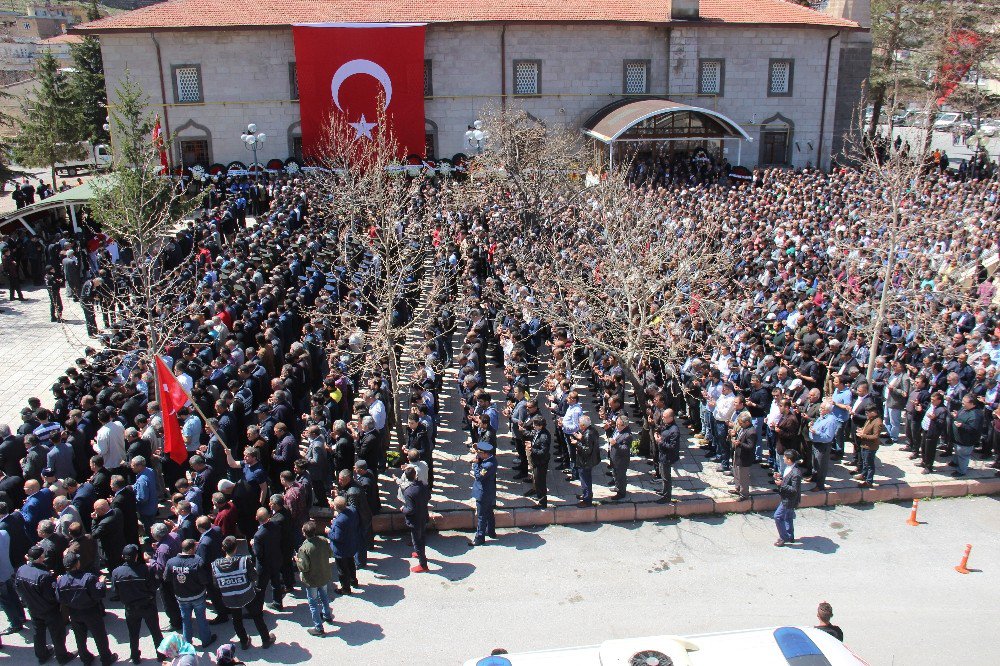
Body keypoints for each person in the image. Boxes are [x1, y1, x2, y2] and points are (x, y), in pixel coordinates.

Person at [211, 535, 274, 650]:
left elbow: (216, 584)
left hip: (230, 597)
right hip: (247, 595)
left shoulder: (215, 565)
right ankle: (266, 639)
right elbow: (254, 577)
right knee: (257, 616)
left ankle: (244, 641)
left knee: (237, 619)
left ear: (223, 548)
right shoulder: (243, 561)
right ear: (236, 548)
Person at [56, 552, 118, 666]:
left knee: (80, 638)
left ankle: (85, 658)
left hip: (74, 613)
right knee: (100, 636)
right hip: (91, 612)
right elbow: (98, 594)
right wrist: (102, 583)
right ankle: (106, 658)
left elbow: (60, 599)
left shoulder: (61, 580)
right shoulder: (88, 578)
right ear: (76, 564)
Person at [15, 545, 74, 664]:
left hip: (33, 608)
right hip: (49, 610)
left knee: (38, 633)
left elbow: (18, 588)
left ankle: (42, 655)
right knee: (57, 633)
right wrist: (56, 582)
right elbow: (52, 596)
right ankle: (62, 656)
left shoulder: (21, 569)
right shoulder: (44, 576)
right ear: (39, 558)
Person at [111, 544, 165, 664]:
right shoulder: (145, 569)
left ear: (122, 556)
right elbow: (154, 585)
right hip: (148, 605)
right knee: (155, 631)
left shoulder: (116, 572)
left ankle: (135, 657)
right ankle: (161, 655)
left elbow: (115, 591)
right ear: (136, 556)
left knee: (133, 634)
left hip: (130, 608)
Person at [164, 538, 216, 649]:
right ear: (192, 549)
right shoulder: (197, 561)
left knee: (185, 620)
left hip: (181, 597)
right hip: (197, 595)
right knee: (201, 618)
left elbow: (166, 578)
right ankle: (206, 640)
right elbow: (204, 580)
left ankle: (187, 643)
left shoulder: (171, 562)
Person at [294, 520, 333, 636]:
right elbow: (330, 554)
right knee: (324, 596)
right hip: (324, 575)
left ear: (304, 533)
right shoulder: (323, 540)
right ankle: (327, 615)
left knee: (313, 603)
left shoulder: (303, 548)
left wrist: (297, 560)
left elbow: (304, 567)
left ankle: (318, 627)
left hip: (312, 579)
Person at [327, 496, 360, 594]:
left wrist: (329, 531)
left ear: (336, 507)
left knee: (342, 570)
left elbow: (337, 537)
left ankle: (345, 588)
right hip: (351, 543)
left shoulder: (339, 520)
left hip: (341, 549)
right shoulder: (352, 511)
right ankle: (353, 581)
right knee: (351, 564)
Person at [401, 466, 430, 573]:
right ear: (415, 475)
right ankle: (419, 553)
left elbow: (410, 509)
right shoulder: (423, 486)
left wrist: (403, 509)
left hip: (415, 520)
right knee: (422, 535)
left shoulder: (408, 492)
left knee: (417, 541)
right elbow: (428, 497)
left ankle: (423, 564)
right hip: (423, 515)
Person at [468, 441, 497, 547]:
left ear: (485, 454)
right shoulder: (490, 458)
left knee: (481, 515)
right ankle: (491, 531)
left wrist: (475, 464)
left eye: (479, 453)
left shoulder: (488, 465)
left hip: (483, 492)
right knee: (489, 511)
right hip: (488, 491)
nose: (478, 455)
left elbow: (479, 477)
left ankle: (479, 537)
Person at [773, 450, 802, 547]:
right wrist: (780, 477)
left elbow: (794, 489)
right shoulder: (789, 468)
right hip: (786, 497)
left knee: (777, 516)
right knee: (788, 517)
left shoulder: (796, 473)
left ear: (789, 460)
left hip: (789, 499)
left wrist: (782, 484)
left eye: (785, 457)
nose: (783, 458)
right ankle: (790, 535)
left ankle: (783, 537)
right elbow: (786, 479)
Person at [574, 415, 601, 507]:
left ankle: (587, 500)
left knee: (585, 481)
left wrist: (577, 443)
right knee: (586, 479)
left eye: (579, 424)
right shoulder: (592, 430)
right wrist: (581, 438)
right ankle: (586, 495)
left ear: (583, 425)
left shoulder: (588, 434)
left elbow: (587, 450)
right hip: (590, 460)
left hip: (585, 462)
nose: (578, 425)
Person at [654, 409, 681, 503]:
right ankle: (664, 490)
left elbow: (672, 447)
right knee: (662, 473)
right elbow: (661, 428)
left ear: (671, 418)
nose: (662, 418)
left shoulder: (674, 431)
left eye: (664, 417)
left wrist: (660, 442)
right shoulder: (667, 425)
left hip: (668, 456)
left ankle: (667, 496)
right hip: (662, 454)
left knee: (666, 476)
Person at [854, 405, 882, 488]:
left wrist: (863, 435)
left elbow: (875, 436)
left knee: (869, 464)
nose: (866, 414)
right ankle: (863, 474)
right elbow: (866, 428)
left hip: (870, 446)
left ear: (873, 412)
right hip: (864, 444)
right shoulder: (870, 419)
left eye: (867, 412)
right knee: (864, 462)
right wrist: (862, 430)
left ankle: (869, 481)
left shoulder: (878, 422)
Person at [730, 413, 756, 501]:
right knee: (736, 473)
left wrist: (740, 443)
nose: (740, 425)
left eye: (741, 423)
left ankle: (744, 494)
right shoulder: (744, 428)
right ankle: (737, 488)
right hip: (738, 454)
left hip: (744, 457)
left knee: (743, 477)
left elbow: (750, 446)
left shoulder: (751, 432)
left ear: (747, 422)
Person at [527, 415, 551, 508]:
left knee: (540, 482)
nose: (533, 426)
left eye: (535, 424)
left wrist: (532, 449)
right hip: (537, 461)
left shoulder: (544, 436)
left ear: (540, 425)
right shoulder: (539, 432)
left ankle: (542, 502)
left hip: (541, 462)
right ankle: (540, 497)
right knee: (537, 481)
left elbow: (543, 452)